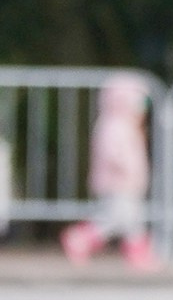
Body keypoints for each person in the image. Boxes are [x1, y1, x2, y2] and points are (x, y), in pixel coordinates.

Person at [60, 74, 158, 269]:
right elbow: (113, 153)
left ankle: (138, 254)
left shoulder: (126, 126)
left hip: (128, 183)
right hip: (117, 182)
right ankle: (81, 238)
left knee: (132, 220)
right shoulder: (114, 125)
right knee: (116, 218)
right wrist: (126, 168)